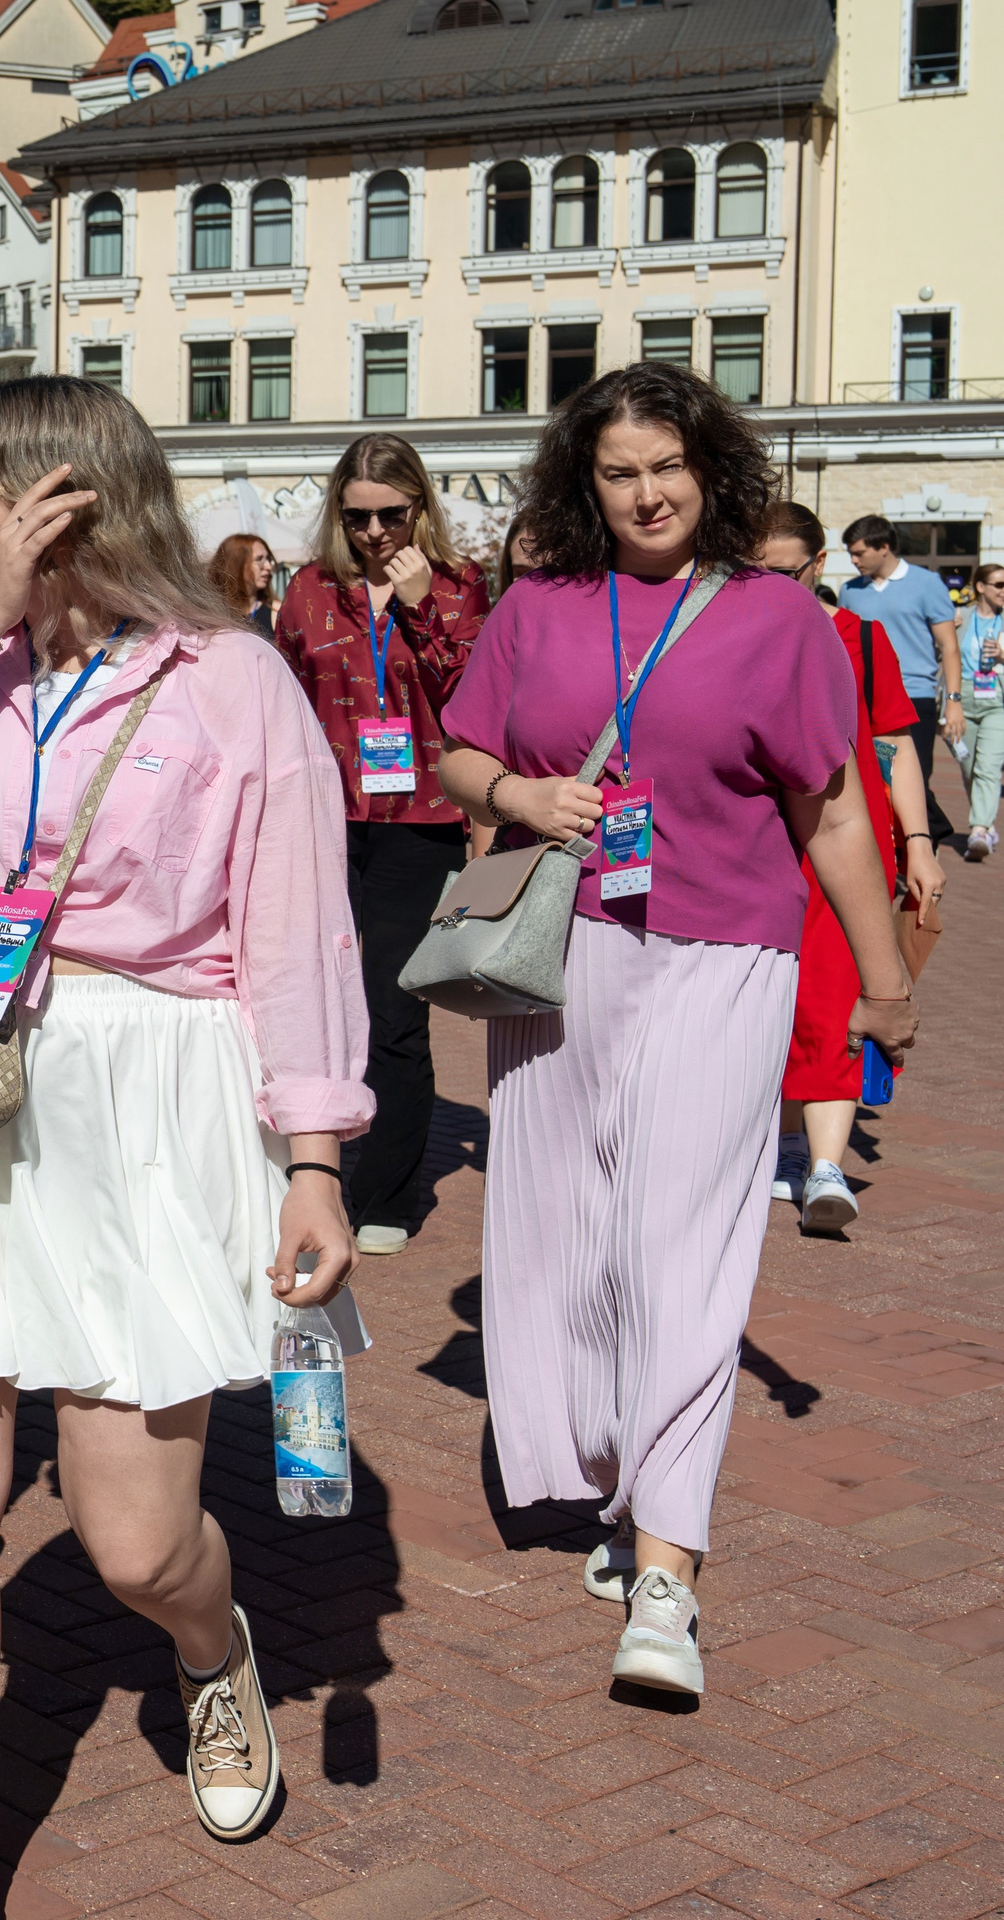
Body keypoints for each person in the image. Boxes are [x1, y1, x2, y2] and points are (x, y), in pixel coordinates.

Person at [0, 375, 370, 1908]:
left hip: (150, 1098)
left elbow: (299, 935)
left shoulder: (232, 679)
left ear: (64, 501)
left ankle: (211, 1645)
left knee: (134, 1544)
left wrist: (313, 1154)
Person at [439, 363, 919, 1700]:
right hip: (561, 953)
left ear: (710, 471)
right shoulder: (535, 607)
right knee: (567, 1239)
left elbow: (830, 813)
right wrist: (523, 793)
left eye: (668, 466)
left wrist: (880, 977)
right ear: (582, 484)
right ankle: (614, 1478)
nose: (647, 493)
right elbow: (458, 756)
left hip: (725, 959)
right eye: (618, 471)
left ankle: (666, 1574)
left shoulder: (779, 617)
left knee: (680, 1244)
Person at [272, 434, 491, 1258]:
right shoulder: (309, 591)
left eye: (391, 515)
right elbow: (287, 700)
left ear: (419, 507)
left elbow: (472, 699)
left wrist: (423, 604)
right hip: (325, 816)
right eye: (357, 516)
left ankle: (392, 1187)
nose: (374, 533)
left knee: (394, 1008)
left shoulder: (461, 585)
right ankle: (311, 1163)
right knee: (313, 995)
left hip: (421, 819)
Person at [760, 503, 941, 1230]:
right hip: (761, 846)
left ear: (816, 566)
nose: (772, 586)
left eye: (785, 572)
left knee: (838, 998)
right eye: (757, 571)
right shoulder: (732, 637)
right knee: (771, 1001)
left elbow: (897, 747)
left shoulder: (857, 640)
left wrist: (921, 843)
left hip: (849, 847)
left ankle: (826, 1166)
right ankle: (783, 1143)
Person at [841, 514, 963, 843]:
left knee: (910, 778)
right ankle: (890, 852)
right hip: (863, 696)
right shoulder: (849, 590)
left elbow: (949, 647)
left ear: (883, 547)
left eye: (859, 553)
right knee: (868, 779)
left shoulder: (927, 584)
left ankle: (923, 842)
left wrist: (953, 702)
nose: (853, 560)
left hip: (914, 695)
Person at [956, 564, 1004, 860]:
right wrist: (948, 628)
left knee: (988, 766)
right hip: (960, 699)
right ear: (980, 587)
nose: (1003, 590)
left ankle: (979, 829)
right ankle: (986, 822)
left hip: (997, 700)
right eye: (998, 584)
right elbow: (941, 652)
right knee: (968, 765)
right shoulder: (959, 617)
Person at [205, 531, 277, 638]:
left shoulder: (275, 611)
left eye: (268, 559)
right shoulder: (211, 615)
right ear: (236, 565)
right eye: (259, 560)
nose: (268, 567)